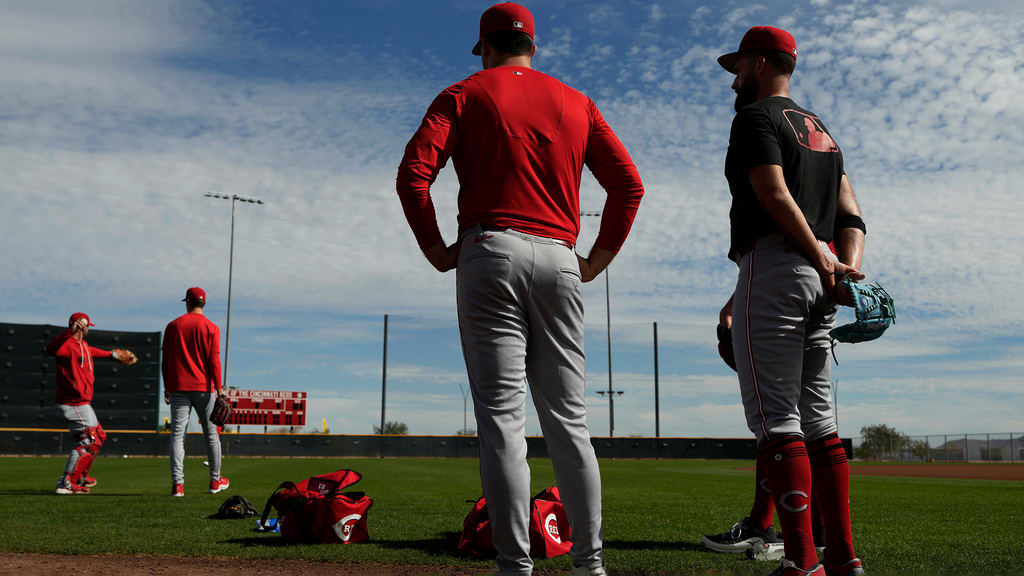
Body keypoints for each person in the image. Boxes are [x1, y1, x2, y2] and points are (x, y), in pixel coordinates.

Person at [396, 3, 644, 574]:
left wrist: (436, 250)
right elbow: (629, 185)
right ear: (533, 46)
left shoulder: (463, 92)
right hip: (559, 256)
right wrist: (597, 260)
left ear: (484, 46)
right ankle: (590, 563)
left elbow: (414, 173)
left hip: (489, 250)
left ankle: (516, 566)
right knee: (569, 420)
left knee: (504, 423)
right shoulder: (576, 100)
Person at [718, 26, 868, 576]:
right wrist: (842, 266)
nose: (733, 78)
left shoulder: (755, 117)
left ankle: (801, 562)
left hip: (780, 265)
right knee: (821, 422)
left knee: (777, 420)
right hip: (819, 277)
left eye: (738, 66)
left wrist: (822, 259)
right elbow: (852, 212)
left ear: (759, 64)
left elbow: (772, 192)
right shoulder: (823, 131)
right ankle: (844, 558)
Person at [46, 312, 133, 494]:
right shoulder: (67, 345)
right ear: (80, 325)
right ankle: (66, 482)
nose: (88, 329)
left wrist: (111, 355)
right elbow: (51, 349)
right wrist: (68, 332)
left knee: (99, 437)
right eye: (87, 326)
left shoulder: (83, 345)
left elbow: (93, 352)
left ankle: (80, 477)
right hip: (73, 403)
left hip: (83, 403)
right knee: (89, 441)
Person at [162, 287, 229, 496]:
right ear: (204, 303)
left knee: (177, 436)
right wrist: (219, 388)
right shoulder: (211, 327)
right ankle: (215, 482)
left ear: (187, 302)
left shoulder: (173, 326)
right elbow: (214, 361)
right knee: (211, 435)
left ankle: (178, 486)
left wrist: (167, 386)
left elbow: (165, 362)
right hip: (204, 387)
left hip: (179, 388)